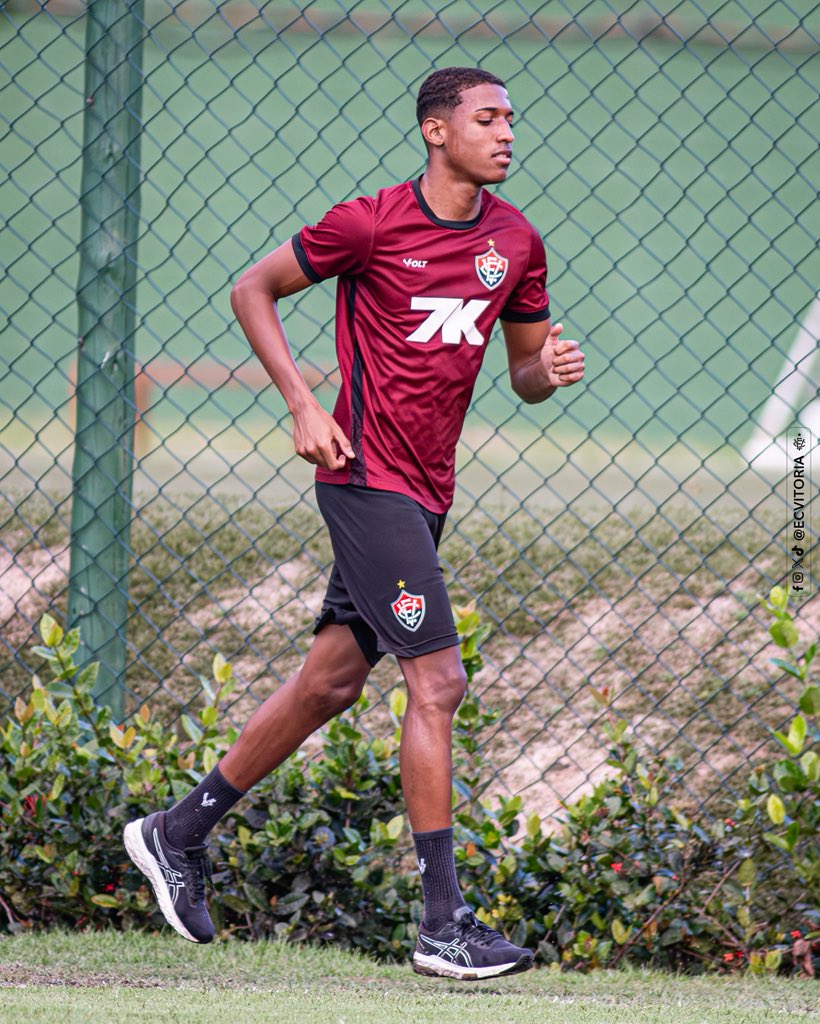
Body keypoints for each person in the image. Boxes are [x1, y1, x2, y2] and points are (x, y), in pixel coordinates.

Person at [124, 65, 585, 980]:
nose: (504, 133)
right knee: (438, 681)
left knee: (332, 683)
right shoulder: (370, 221)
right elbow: (252, 288)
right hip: (363, 476)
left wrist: (549, 372)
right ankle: (441, 924)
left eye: (510, 119)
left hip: (428, 493)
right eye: (486, 118)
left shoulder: (517, 242)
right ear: (434, 131)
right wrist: (302, 402)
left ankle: (177, 831)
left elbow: (524, 372)